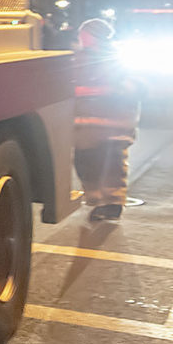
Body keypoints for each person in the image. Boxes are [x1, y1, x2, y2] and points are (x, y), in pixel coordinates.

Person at [72, 18, 138, 223]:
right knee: (85, 163)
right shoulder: (78, 59)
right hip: (86, 129)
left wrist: (94, 91)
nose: (82, 38)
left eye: (85, 34)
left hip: (112, 128)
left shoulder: (115, 60)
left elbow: (131, 88)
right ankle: (97, 200)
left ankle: (112, 203)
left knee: (112, 167)